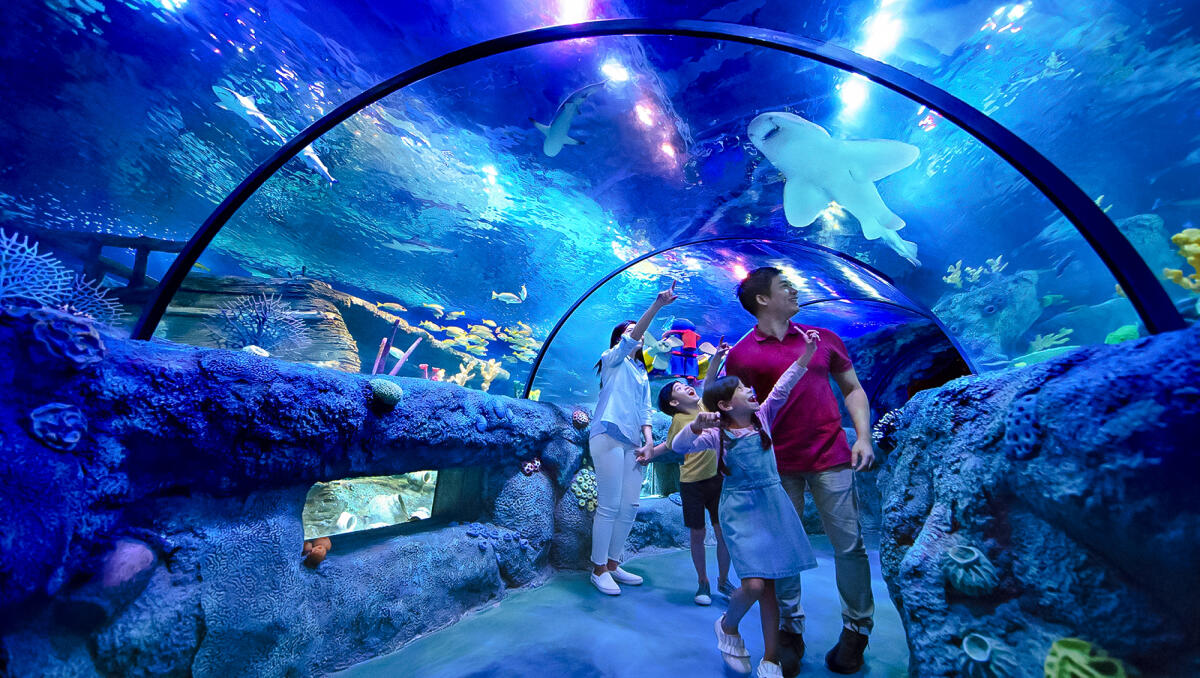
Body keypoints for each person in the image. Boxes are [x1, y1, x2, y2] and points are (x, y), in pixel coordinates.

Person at [723, 267, 877, 675]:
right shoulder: (741, 354)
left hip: (831, 455)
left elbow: (852, 388)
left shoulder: (823, 338)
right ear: (762, 299)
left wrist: (863, 436)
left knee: (850, 545)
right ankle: (790, 630)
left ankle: (856, 630)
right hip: (776, 466)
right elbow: (731, 411)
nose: (795, 290)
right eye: (785, 286)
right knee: (784, 553)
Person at [670, 329, 821, 678]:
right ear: (725, 405)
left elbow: (783, 385)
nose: (750, 390)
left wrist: (807, 353)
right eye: (741, 389)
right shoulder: (716, 434)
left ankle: (770, 658)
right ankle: (727, 624)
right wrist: (695, 426)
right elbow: (679, 447)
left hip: (772, 507)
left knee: (770, 586)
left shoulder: (762, 418)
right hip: (740, 511)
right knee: (754, 585)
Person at [587, 281, 678, 596]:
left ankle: (613, 563)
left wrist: (649, 441)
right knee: (609, 505)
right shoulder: (612, 360)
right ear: (621, 339)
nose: (638, 336)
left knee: (630, 505)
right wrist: (657, 305)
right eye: (631, 332)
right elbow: (631, 339)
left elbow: (644, 410)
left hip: (632, 442)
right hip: (608, 435)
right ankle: (598, 569)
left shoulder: (641, 373)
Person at [645, 338, 735, 606]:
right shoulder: (679, 420)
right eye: (679, 388)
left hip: (717, 479)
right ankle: (702, 581)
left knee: (723, 532)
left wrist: (717, 357)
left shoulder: (706, 406)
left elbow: (710, 381)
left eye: (686, 384)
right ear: (673, 402)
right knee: (698, 534)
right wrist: (649, 453)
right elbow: (670, 445)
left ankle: (724, 580)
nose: (686, 386)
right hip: (692, 483)